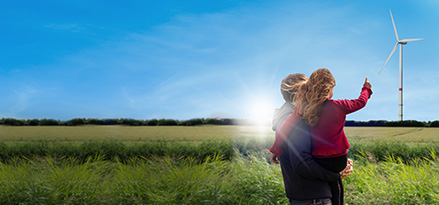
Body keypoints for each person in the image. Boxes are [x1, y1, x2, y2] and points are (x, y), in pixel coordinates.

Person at [271, 68, 372, 204]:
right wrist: (335, 174)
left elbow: (313, 150)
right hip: (313, 196)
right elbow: (302, 163)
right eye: (309, 87)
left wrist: (338, 162)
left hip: (312, 194)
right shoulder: (297, 121)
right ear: (297, 93)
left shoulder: (299, 116)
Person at [271, 73, 308, 163]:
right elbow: (302, 164)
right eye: (308, 89)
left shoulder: (285, 116)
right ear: (299, 94)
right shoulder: (294, 122)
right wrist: (335, 172)